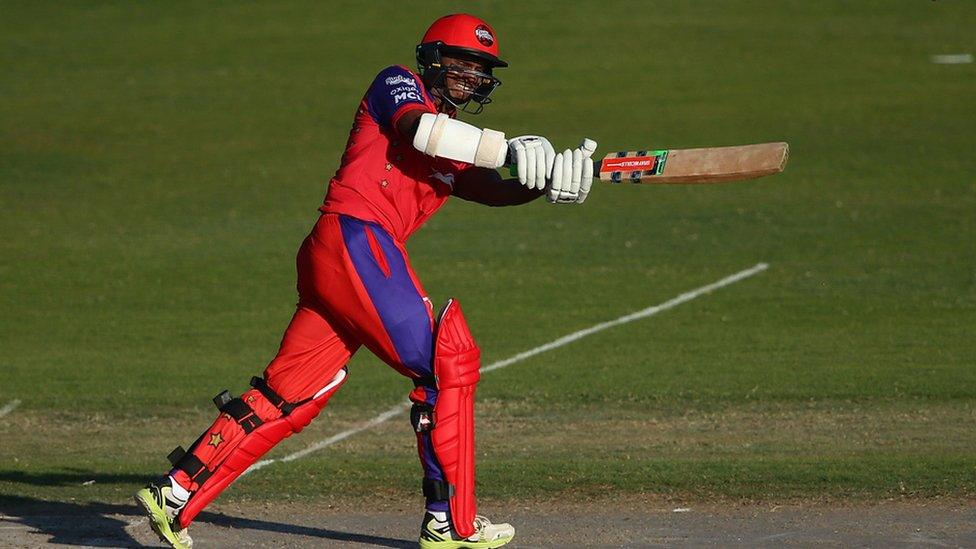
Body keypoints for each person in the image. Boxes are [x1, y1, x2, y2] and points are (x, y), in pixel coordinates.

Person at [134, 13, 597, 549]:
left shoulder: (459, 142)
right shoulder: (396, 83)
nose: (471, 75)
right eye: (462, 61)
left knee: (293, 392)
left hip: (343, 258)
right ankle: (449, 521)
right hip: (356, 237)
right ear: (432, 58)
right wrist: (511, 149)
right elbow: (421, 130)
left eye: (481, 68)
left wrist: (550, 180)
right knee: (447, 366)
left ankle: (175, 491)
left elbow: (491, 187)